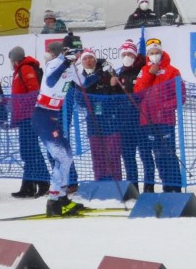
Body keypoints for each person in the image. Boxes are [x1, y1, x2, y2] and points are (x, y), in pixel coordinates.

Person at [34, 35, 88, 216]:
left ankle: (62, 197)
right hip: (43, 115)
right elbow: (50, 82)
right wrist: (65, 62)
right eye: (75, 52)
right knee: (62, 158)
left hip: (53, 116)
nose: (78, 56)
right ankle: (53, 201)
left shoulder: (72, 66)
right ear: (66, 51)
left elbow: (84, 85)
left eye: (80, 52)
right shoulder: (55, 63)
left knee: (68, 156)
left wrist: (100, 72)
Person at [133, 38, 184, 193]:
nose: (154, 55)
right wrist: (149, 74)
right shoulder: (143, 70)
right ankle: (165, 185)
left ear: (161, 53)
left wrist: (164, 107)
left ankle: (174, 186)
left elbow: (181, 96)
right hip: (148, 120)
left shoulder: (172, 71)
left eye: (157, 52)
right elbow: (138, 91)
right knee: (158, 155)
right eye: (151, 53)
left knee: (168, 153)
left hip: (165, 120)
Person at [113, 39, 156, 193]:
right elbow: (116, 98)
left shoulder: (143, 69)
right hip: (125, 123)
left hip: (142, 120)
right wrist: (115, 86)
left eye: (129, 54)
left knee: (146, 155)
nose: (126, 57)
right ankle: (133, 188)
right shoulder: (120, 72)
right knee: (128, 157)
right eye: (124, 54)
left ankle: (149, 186)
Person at [7, 45, 49, 198]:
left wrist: (24, 107)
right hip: (23, 116)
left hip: (29, 116)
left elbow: (34, 91)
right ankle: (28, 185)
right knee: (28, 152)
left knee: (32, 151)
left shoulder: (25, 69)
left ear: (15, 60)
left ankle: (43, 181)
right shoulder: (19, 71)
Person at [79, 49, 125, 181]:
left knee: (113, 153)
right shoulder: (80, 77)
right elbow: (80, 100)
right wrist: (96, 101)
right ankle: (99, 180)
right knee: (97, 154)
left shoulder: (107, 72)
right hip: (93, 121)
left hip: (110, 119)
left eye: (90, 58)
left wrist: (110, 88)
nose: (88, 61)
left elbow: (116, 95)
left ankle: (115, 180)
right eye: (85, 59)